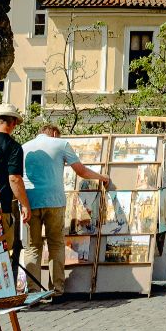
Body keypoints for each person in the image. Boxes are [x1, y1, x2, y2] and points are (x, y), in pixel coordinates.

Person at [21, 123, 111, 299]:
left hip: (30, 202)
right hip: (54, 201)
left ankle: (33, 292)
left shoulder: (24, 147)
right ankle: (57, 290)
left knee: (32, 247)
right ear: (55, 133)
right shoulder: (61, 144)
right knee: (56, 244)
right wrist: (102, 177)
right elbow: (81, 171)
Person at [0, 104, 30, 279]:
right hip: (0, 208)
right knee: (1, 252)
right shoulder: (13, 146)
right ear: (13, 123)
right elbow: (14, 179)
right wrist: (25, 204)